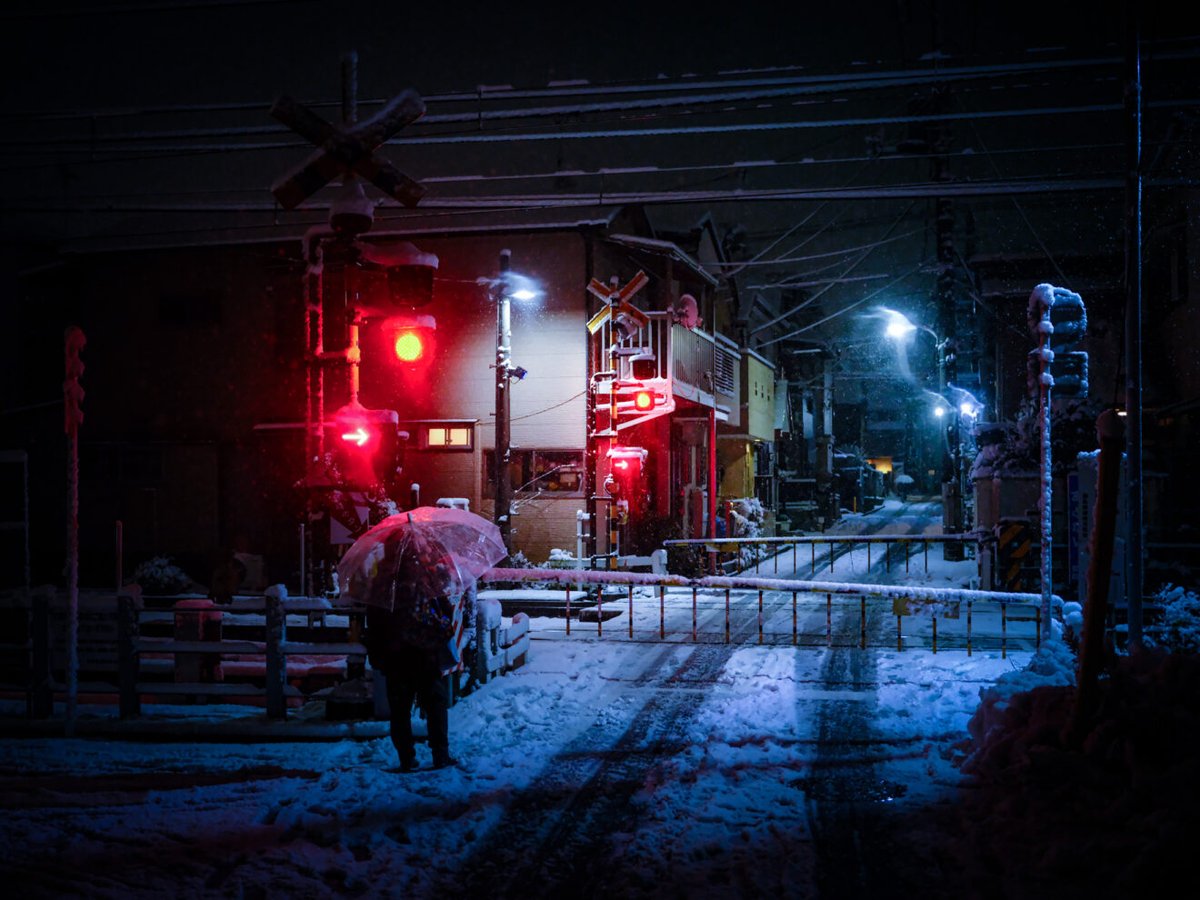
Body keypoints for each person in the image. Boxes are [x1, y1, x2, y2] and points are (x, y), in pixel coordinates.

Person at [365, 586, 460, 773]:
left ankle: (406, 758)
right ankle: (440, 754)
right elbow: (445, 614)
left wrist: (378, 657)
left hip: (396, 660)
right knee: (435, 706)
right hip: (425, 657)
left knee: (400, 710)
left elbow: (374, 624)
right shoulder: (425, 582)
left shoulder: (383, 585)